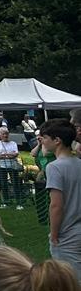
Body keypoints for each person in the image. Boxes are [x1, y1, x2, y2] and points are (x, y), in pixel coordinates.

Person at [40, 118, 81, 280]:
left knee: (71, 279)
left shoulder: (54, 167)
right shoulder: (79, 163)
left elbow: (56, 205)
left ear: (57, 140)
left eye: (45, 137)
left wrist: (54, 234)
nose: (42, 141)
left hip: (67, 232)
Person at [0, 126, 23, 209]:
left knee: (15, 183)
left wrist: (4, 155)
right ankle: (5, 202)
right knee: (3, 184)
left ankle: (19, 202)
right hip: (1, 166)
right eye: (3, 134)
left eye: (6, 133)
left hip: (13, 166)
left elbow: (15, 154)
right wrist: (9, 155)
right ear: (0, 135)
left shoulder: (13, 143)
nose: (5, 135)